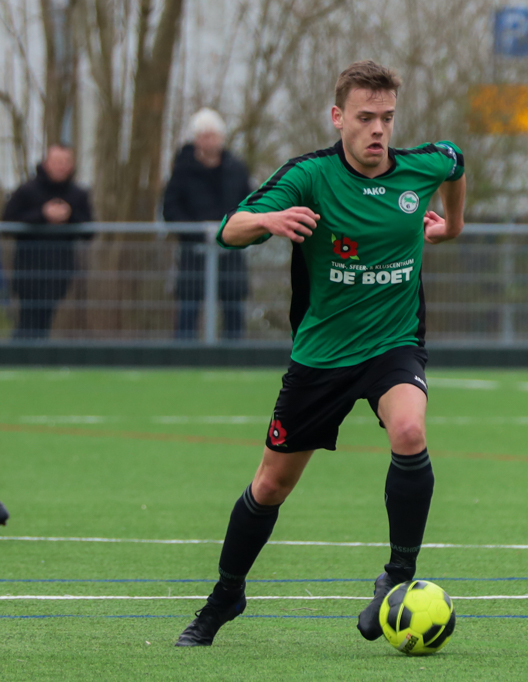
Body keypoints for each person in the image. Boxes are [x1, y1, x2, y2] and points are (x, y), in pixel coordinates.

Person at [175, 60, 466, 647]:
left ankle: (397, 576)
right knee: (270, 486)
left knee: (410, 431)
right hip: (322, 356)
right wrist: (269, 219)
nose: (377, 129)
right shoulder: (309, 176)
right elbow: (228, 230)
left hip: (392, 345)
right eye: (365, 117)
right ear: (338, 117)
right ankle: (226, 595)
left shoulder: (421, 168)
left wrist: (452, 226)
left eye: (386, 117)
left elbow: (456, 161)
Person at [163, 109, 253, 340]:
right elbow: (170, 209)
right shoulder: (181, 171)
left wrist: (233, 230)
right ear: (195, 139)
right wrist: (197, 232)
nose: (209, 141)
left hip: (231, 252)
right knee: (188, 309)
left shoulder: (237, 168)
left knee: (233, 311)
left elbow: (251, 203)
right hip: (193, 254)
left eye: (213, 135)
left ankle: (234, 356)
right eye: (203, 136)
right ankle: (183, 356)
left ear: (221, 137)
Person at [2, 145, 93, 339]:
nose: (61, 166)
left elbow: (89, 230)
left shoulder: (78, 194)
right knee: (28, 322)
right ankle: (21, 353)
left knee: (44, 321)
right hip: (27, 270)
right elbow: (8, 223)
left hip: (59, 271)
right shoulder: (26, 191)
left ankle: (31, 353)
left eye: (65, 162)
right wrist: (42, 215)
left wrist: (69, 216)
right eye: (57, 161)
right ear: (46, 163)